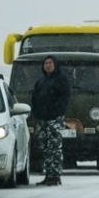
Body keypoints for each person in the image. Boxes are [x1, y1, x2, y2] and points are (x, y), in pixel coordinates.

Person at [31, 55, 71, 186]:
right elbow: (35, 98)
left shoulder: (61, 80)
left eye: (50, 63)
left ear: (55, 65)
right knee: (46, 148)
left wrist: (56, 112)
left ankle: (55, 175)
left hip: (54, 119)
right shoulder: (41, 81)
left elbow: (64, 98)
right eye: (46, 63)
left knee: (54, 148)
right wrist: (37, 113)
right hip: (43, 120)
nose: (48, 65)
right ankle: (48, 174)